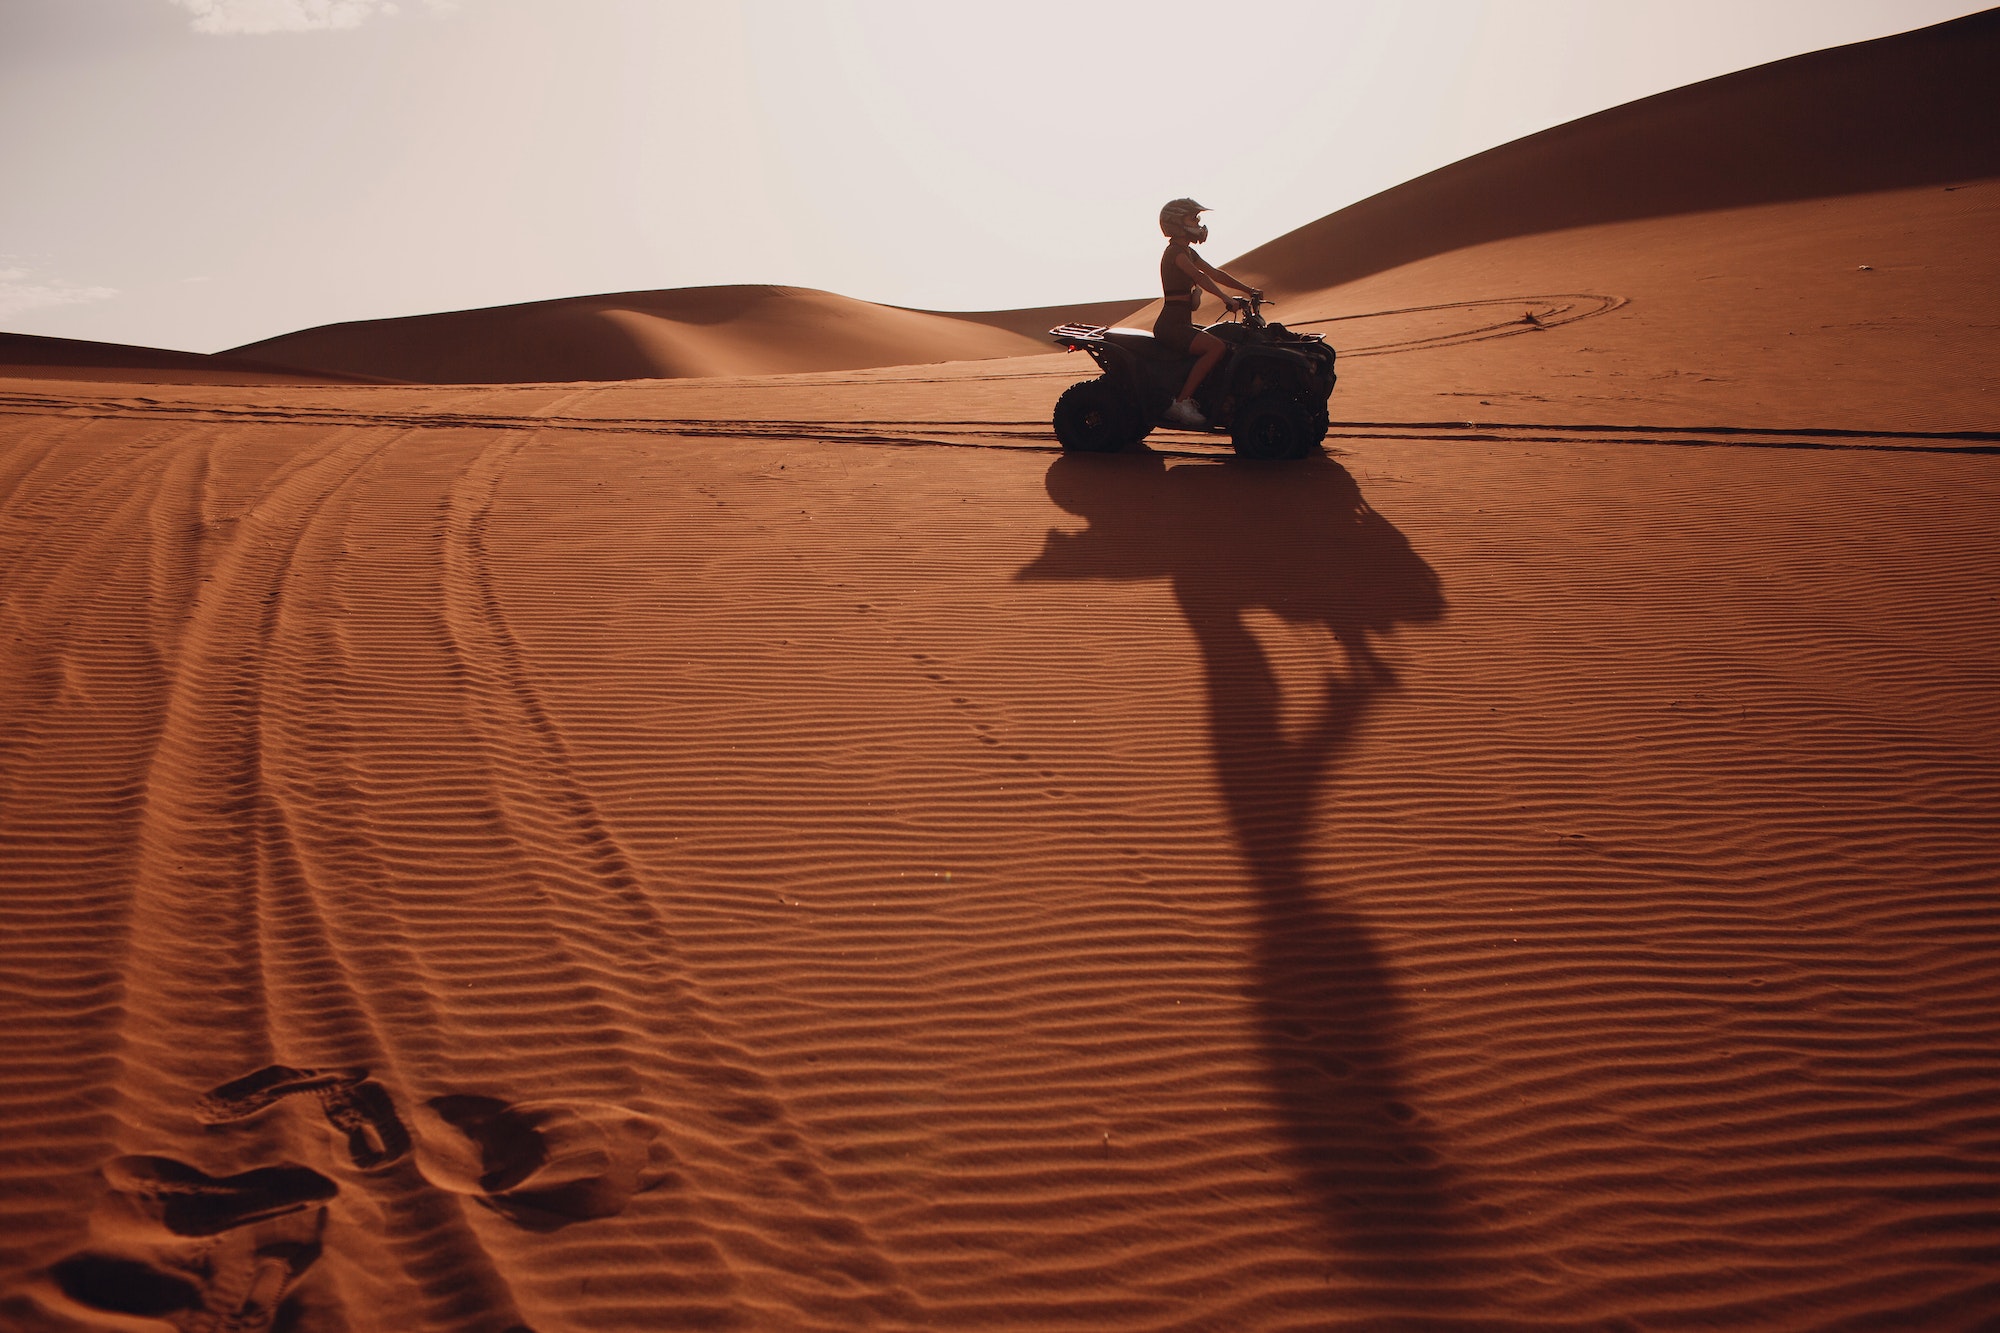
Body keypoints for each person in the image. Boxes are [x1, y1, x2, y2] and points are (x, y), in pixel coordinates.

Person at [1154, 198, 1262, 428]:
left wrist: (1248, 290)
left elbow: (1214, 273)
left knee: (1225, 340)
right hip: (1171, 326)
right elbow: (1200, 277)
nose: (1198, 223)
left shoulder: (1187, 251)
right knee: (1216, 347)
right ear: (1175, 223)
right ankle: (1181, 403)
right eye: (1192, 218)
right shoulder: (1175, 253)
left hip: (1181, 322)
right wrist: (1225, 299)